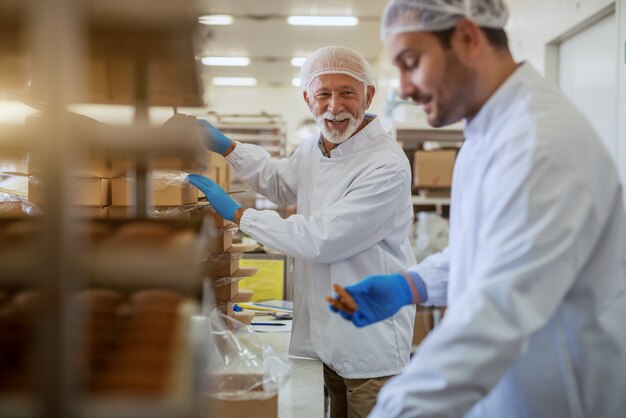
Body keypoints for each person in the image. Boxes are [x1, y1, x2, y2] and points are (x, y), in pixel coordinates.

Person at [327, 1, 626, 417]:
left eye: (411, 63)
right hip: (502, 394)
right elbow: (486, 252)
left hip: (558, 397)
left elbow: (496, 314)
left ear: (468, 38)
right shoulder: (484, 136)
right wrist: (411, 285)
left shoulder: (540, 145)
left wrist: (394, 410)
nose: (405, 88)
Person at [188, 46, 417, 418]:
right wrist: (227, 148)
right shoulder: (316, 148)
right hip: (331, 332)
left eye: (347, 93)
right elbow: (281, 182)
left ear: (368, 96)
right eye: (323, 94)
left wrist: (240, 214)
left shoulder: (385, 165)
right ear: (307, 99)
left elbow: (321, 239)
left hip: (371, 343)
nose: (334, 107)